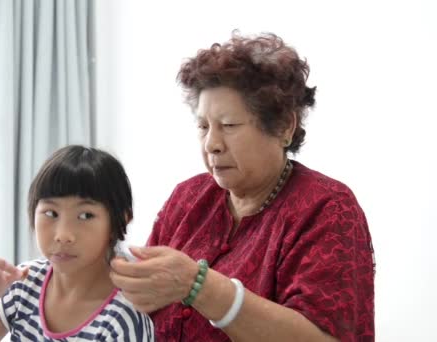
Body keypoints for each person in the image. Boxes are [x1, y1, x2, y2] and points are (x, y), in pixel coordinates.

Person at [110, 31, 375, 341]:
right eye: (203, 126)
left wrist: (198, 286)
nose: (212, 144)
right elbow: (138, 301)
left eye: (229, 126)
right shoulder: (189, 197)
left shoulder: (326, 208)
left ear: (284, 126)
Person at [0, 145, 154, 341]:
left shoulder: (123, 317)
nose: (63, 235)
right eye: (51, 213)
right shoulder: (24, 283)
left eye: (85, 215)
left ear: (119, 221)